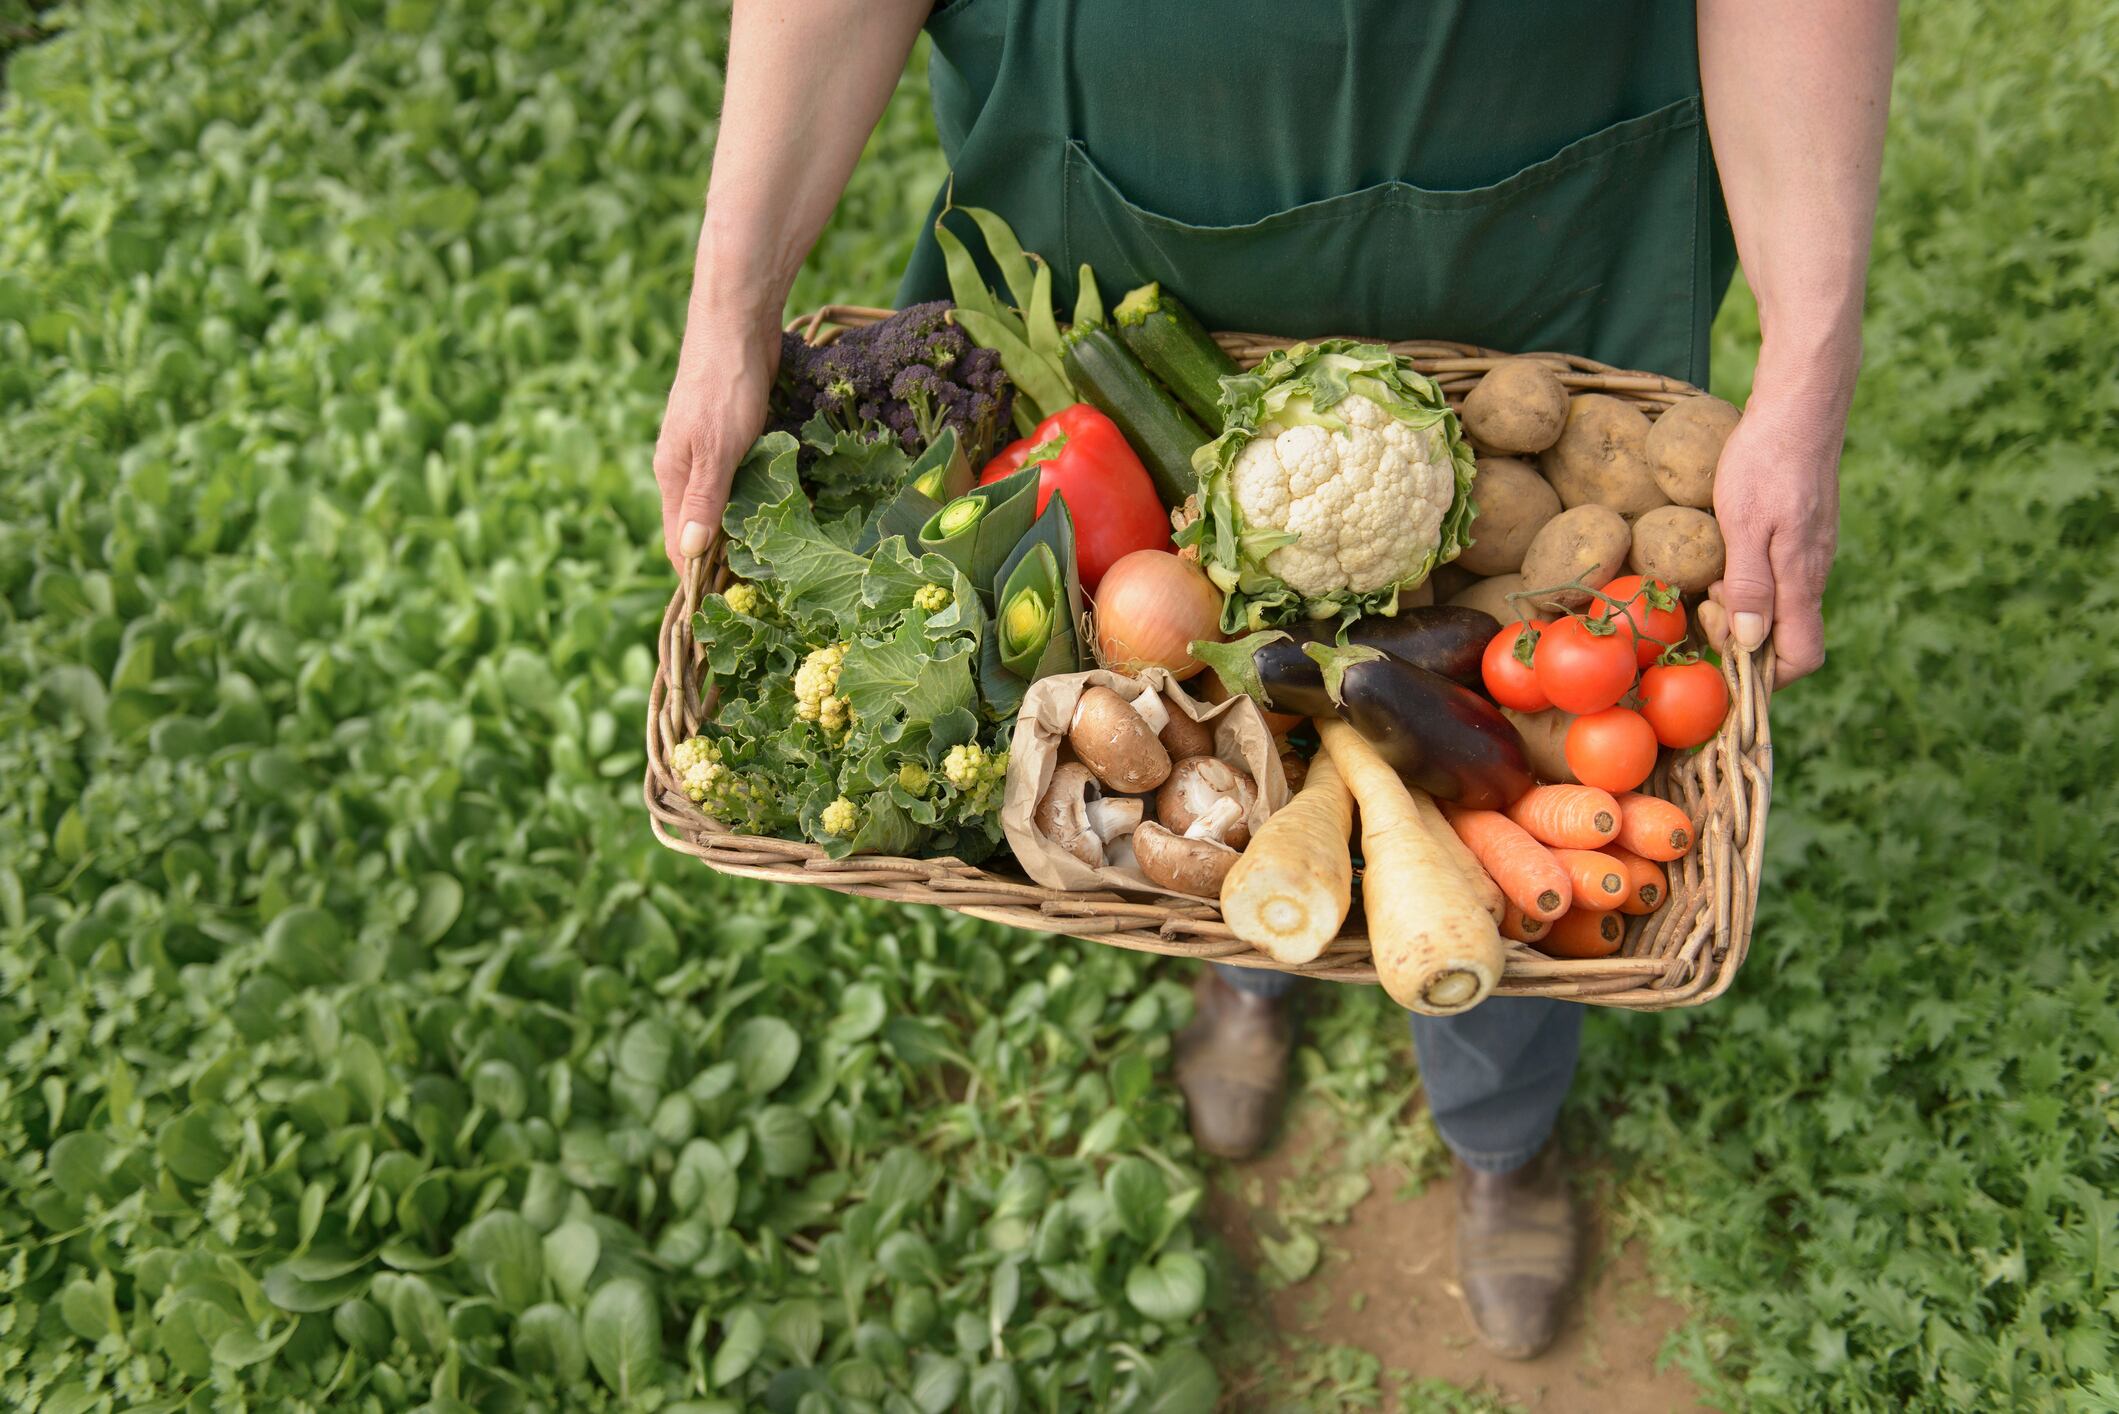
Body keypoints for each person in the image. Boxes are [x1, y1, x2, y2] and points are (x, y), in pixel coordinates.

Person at [654, 0, 1894, 1361]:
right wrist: (730, 306)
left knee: (1530, 762)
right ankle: (1248, 962)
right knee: (1217, 731)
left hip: (1536, 222)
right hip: (1122, 219)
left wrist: (1813, 356)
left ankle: (1500, 1123)